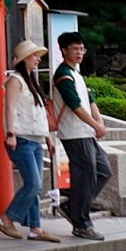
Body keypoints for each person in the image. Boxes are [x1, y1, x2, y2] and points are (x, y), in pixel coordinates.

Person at [49, 31, 113, 238]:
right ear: (64, 51)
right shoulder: (63, 74)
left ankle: (73, 205)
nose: (79, 52)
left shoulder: (76, 73)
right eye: (75, 49)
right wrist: (96, 124)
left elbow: (90, 100)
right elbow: (75, 105)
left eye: (81, 49)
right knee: (85, 175)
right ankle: (81, 222)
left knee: (103, 171)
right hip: (74, 132)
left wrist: (99, 122)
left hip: (86, 132)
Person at [0, 42, 60, 242]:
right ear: (24, 58)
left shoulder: (31, 81)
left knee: (36, 185)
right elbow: (9, 108)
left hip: (35, 138)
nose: (38, 59)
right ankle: (7, 218)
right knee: (33, 183)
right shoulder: (15, 80)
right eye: (34, 56)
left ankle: (35, 227)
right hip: (21, 137)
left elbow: (40, 113)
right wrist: (11, 133)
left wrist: (47, 138)